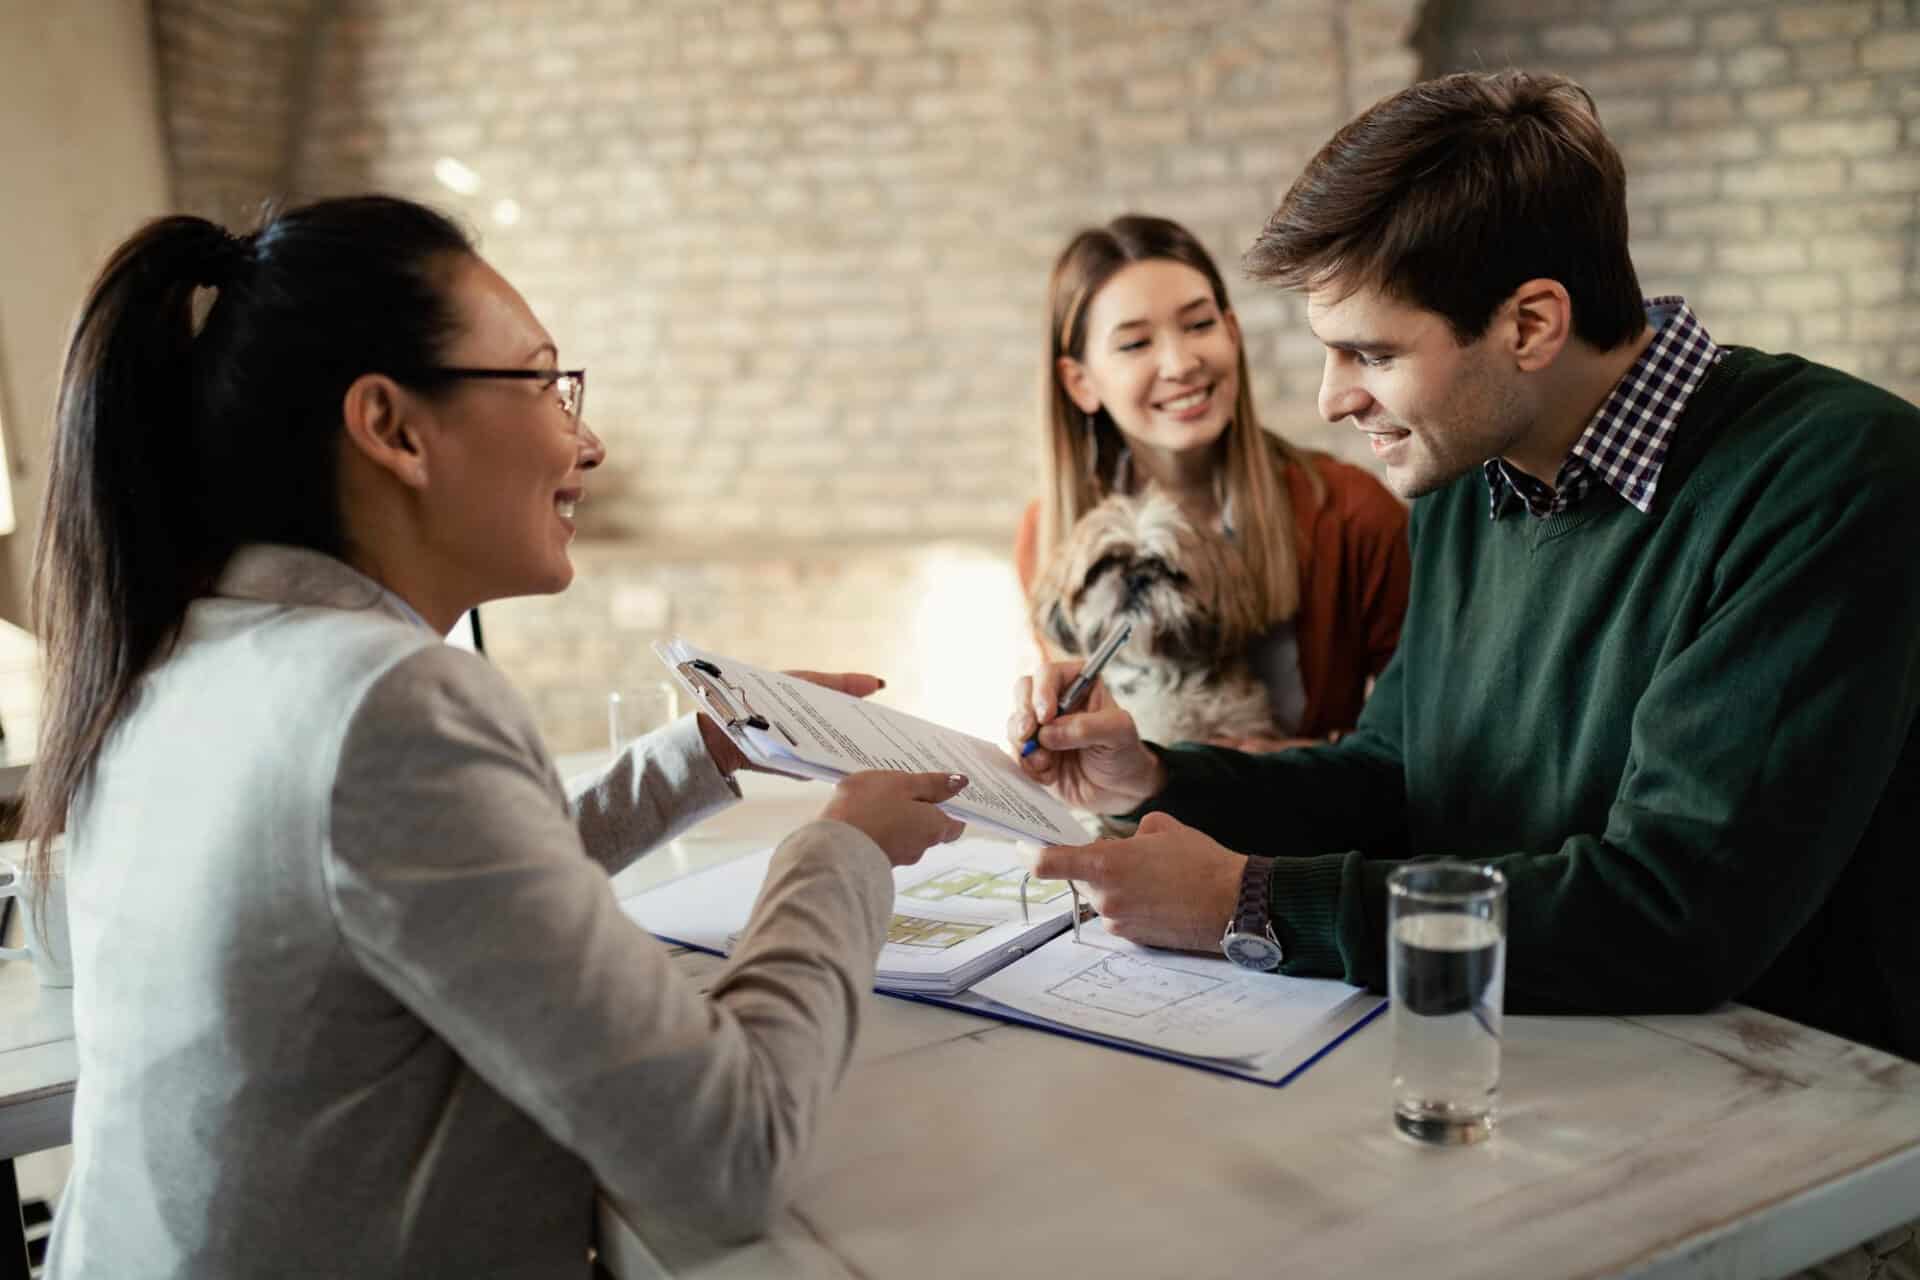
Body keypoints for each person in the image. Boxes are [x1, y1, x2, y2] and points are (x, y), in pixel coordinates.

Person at [22, 196, 969, 1277]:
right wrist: (845, 846)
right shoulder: (388, 697)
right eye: (546, 382)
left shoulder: (187, 653)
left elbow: (430, 897)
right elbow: (726, 1156)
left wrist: (700, 752)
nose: (591, 439)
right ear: (394, 428)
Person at [1009, 69, 1920, 1076]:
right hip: (1527, 1048)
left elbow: (1678, 906)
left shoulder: (1833, 478)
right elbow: (1400, 772)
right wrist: (1161, 776)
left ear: (1530, 324)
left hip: (1788, 1107)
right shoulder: (1465, 476)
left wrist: (1252, 899)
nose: (1331, 399)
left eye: (1370, 354)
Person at [1014, 215, 1409, 748]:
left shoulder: (1353, 513)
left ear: (1232, 332)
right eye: (1134, 344)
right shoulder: (1049, 533)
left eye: (1199, 325)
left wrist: (1289, 766)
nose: (1180, 363)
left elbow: (1428, 735)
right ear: (1080, 382)